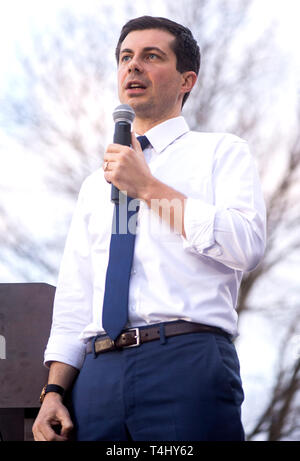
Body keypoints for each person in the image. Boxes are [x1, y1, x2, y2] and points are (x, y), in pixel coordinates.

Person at [32, 16, 266, 441]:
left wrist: (148, 188)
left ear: (186, 80)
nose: (132, 66)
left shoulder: (220, 153)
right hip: (96, 377)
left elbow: (245, 245)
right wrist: (53, 391)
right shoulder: (94, 185)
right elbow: (75, 298)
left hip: (185, 363)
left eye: (151, 56)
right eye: (125, 57)